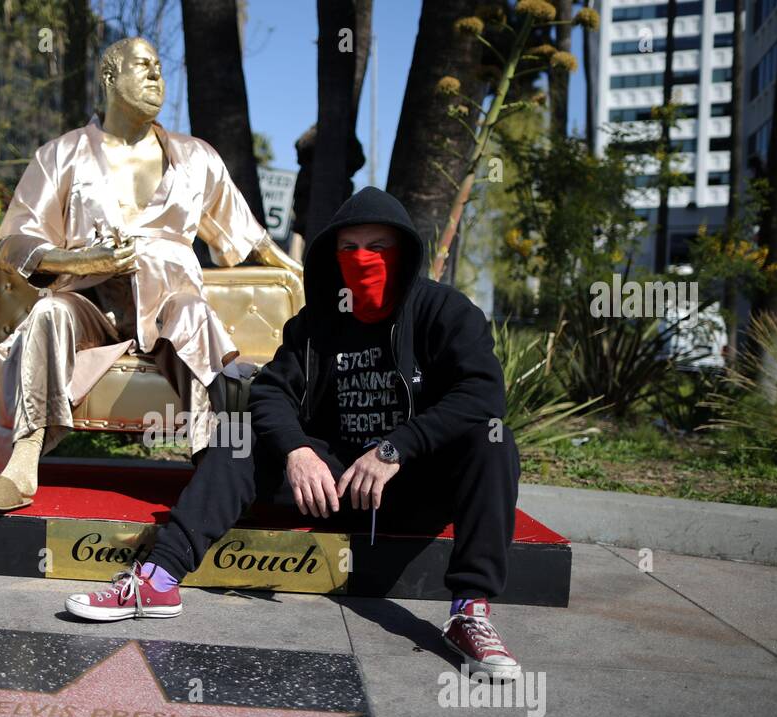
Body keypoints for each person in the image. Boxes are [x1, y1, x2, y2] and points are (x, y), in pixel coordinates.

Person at [64, 187, 524, 681]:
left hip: (408, 483)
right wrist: (297, 450)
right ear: (332, 256)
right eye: (349, 248)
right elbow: (270, 394)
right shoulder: (316, 324)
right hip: (327, 485)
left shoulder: (445, 312)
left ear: (405, 252)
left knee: (492, 438)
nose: (363, 259)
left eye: (379, 246)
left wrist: (395, 448)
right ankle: (158, 580)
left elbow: (482, 394)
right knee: (239, 434)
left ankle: (469, 612)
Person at [0, 35, 299, 512]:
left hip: (170, 302)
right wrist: (82, 261)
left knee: (196, 317)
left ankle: (211, 467)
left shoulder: (195, 155)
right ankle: (22, 464)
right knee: (49, 314)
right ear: (110, 76)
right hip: (91, 304)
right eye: (142, 65)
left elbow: (246, 231)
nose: (156, 75)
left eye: (160, 66)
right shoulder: (61, 155)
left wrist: (297, 270)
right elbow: (14, 241)